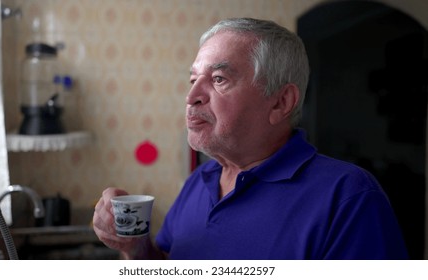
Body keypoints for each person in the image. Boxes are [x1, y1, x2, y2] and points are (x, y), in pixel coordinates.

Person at [93, 18, 408, 260]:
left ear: (280, 102)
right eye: (193, 80)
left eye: (219, 80)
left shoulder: (350, 198)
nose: (191, 97)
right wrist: (136, 248)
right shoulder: (198, 181)